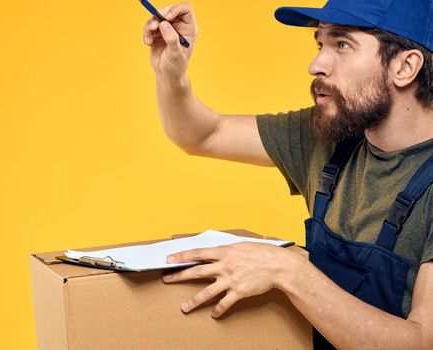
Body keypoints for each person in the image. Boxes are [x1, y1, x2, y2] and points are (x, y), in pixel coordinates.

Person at [142, 0, 433, 349]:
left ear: (405, 66)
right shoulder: (331, 137)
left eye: (342, 44)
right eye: (319, 43)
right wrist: (171, 74)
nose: (315, 65)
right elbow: (202, 135)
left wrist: (289, 271)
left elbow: (421, 341)